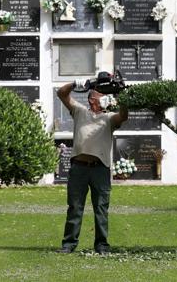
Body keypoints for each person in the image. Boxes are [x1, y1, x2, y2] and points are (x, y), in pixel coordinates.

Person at [56, 79, 128, 254]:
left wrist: (122, 95)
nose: (105, 98)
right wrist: (75, 84)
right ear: (91, 99)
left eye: (106, 95)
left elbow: (123, 116)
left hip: (100, 168)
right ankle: (68, 244)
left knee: (101, 208)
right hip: (79, 168)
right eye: (100, 95)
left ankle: (102, 245)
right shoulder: (79, 112)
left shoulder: (109, 118)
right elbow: (61, 93)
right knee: (75, 207)